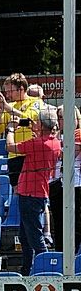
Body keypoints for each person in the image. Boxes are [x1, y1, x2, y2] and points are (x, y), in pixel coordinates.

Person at [6, 107, 61, 275]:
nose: (34, 123)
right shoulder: (55, 142)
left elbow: (10, 147)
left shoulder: (36, 144)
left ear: (43, 125)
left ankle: (46, 269)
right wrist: (35, 129)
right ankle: (27, 269)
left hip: (30, 193)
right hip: (38, 192)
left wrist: (10, 130)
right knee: (25, 235)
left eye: (37, 121)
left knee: (35, 236)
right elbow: (42, 141)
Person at [0, 73, 43, 193]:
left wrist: (7, 107)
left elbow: (29, 119)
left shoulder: (35, 102)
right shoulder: (10, 106)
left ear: (21, 89)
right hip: (14, 155)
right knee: (17, 191)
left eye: (10, 91)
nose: (7, 95)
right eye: (6, 92)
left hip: (30, 154)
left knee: (34, 191)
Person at [49, 105, 81, 254]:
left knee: (75, 223)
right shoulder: (55, 137)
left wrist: (54, 149)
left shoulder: (78, 133)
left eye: (63, 117)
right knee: (59, 223)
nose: (61, 121)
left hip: (76, 185)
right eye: (59, 117)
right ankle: (60, 254)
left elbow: (68, 156)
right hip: (56, 185)